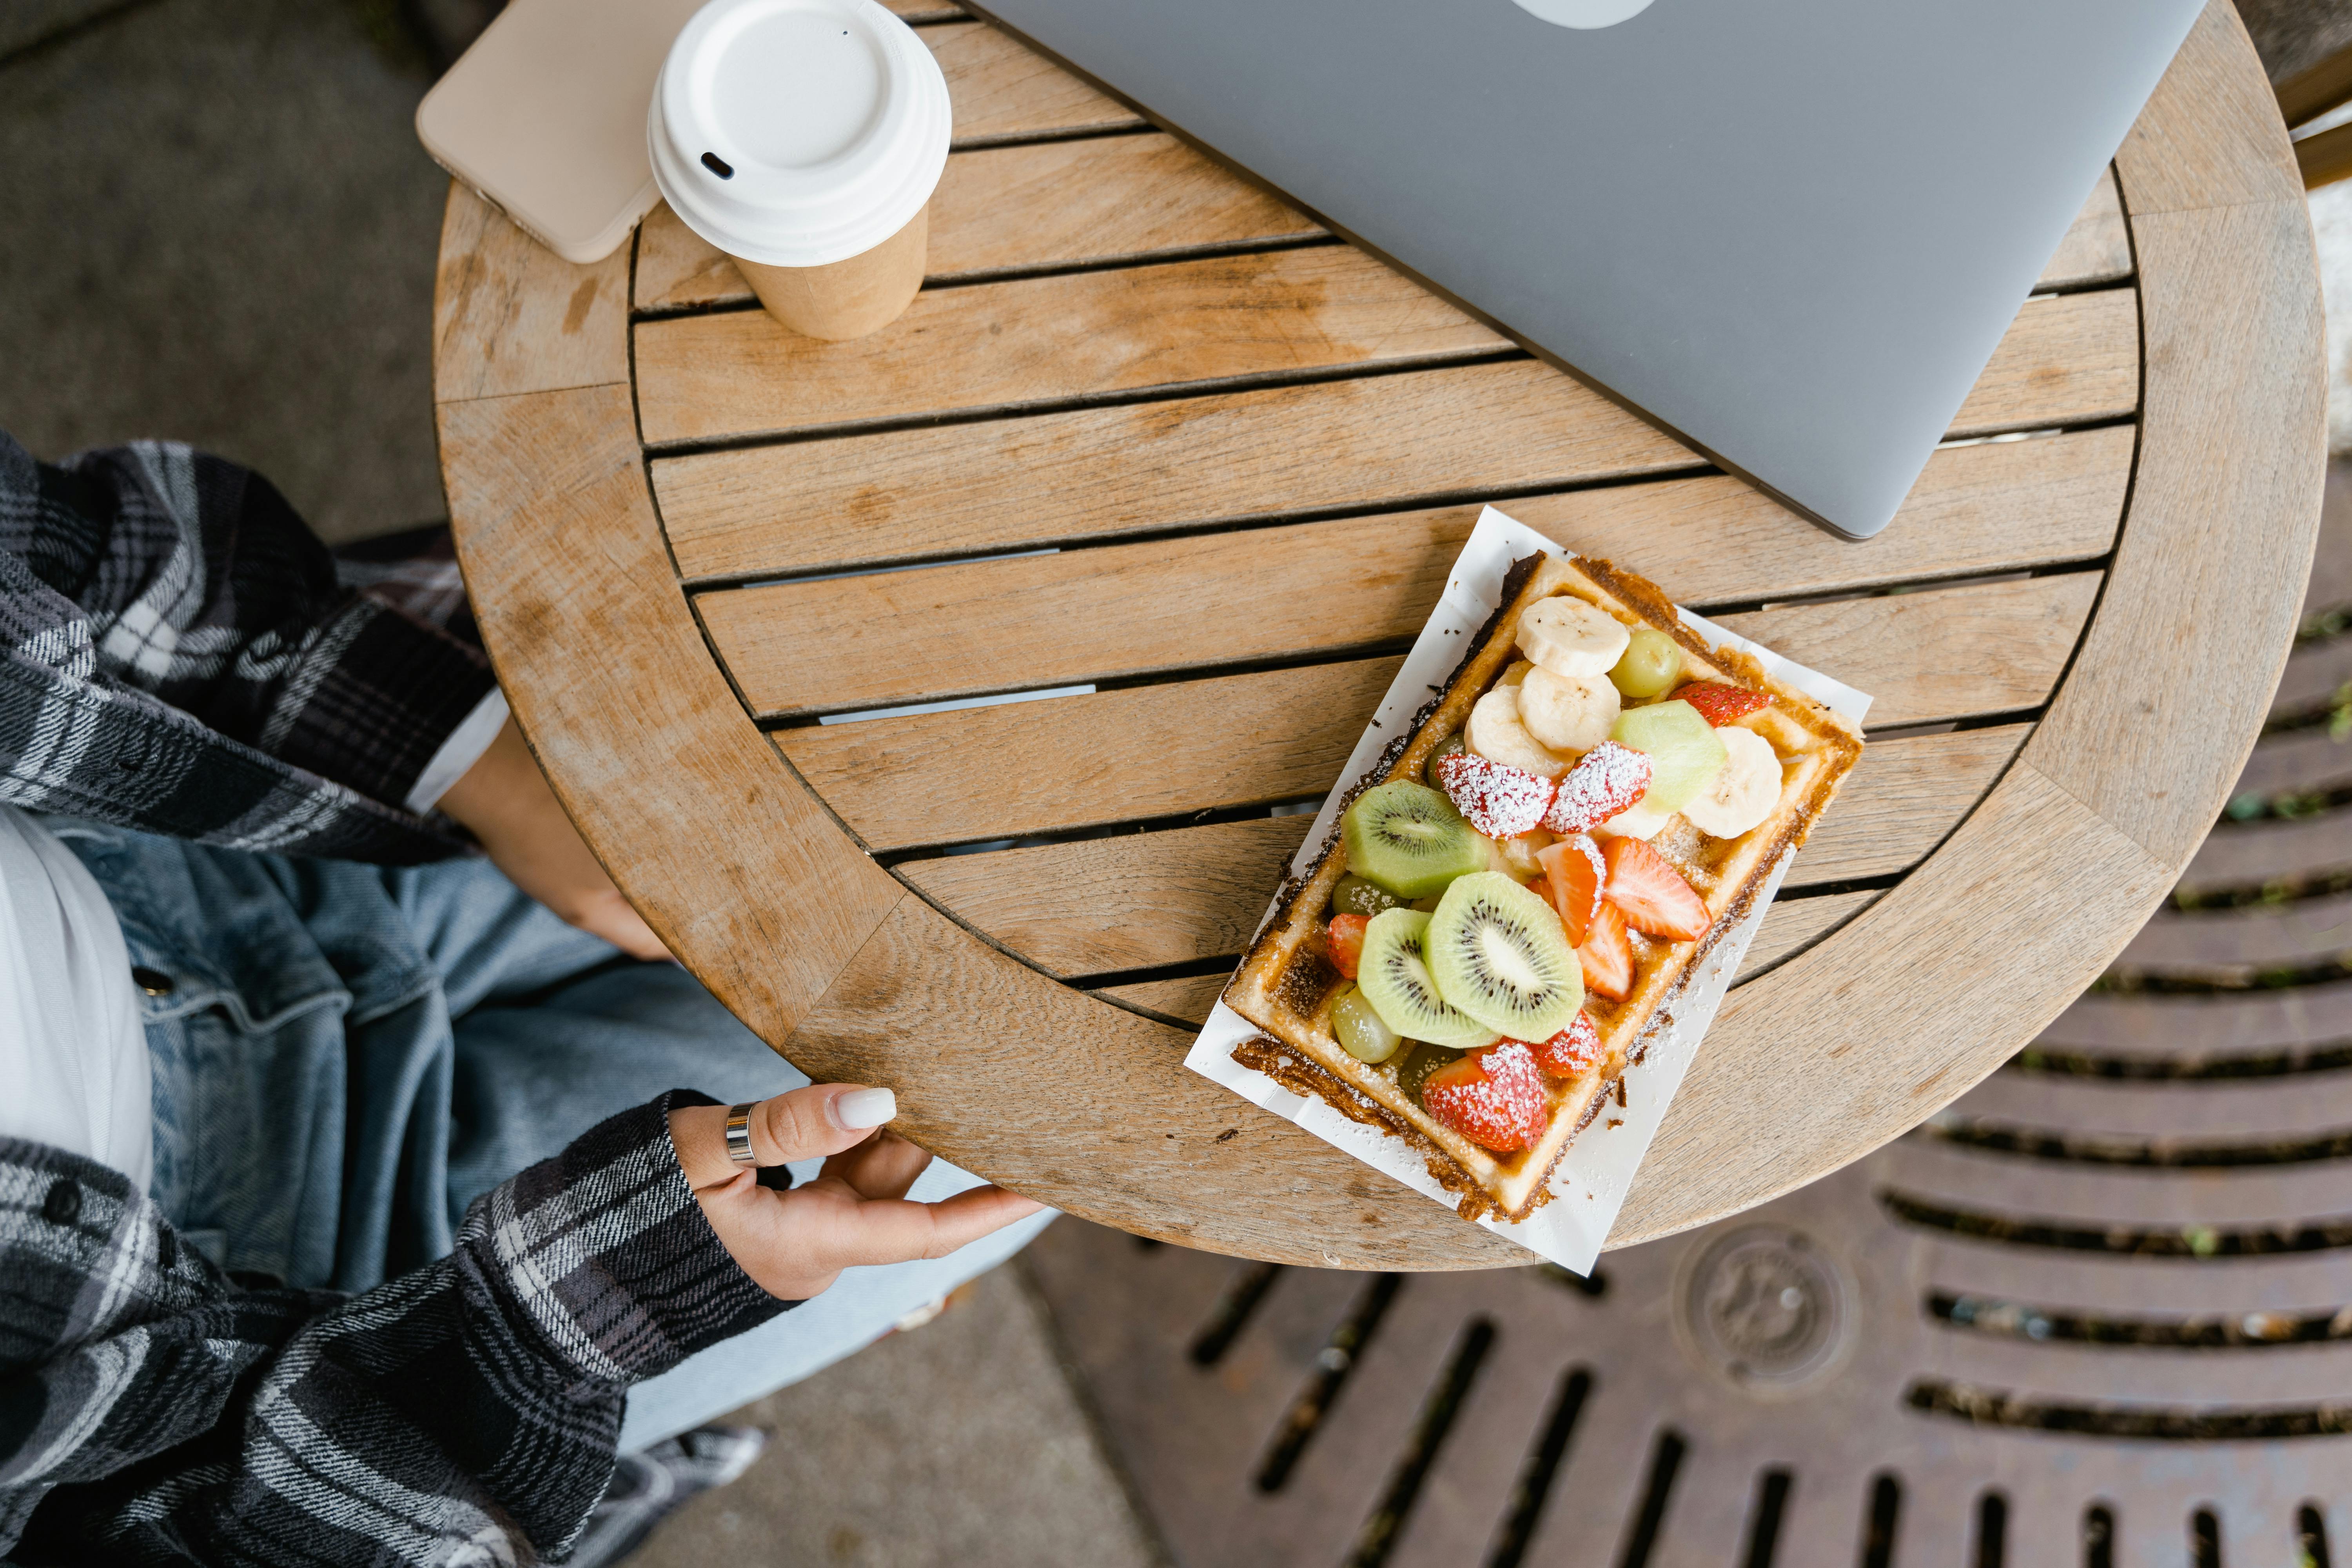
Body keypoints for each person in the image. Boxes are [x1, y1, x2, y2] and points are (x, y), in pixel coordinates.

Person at [0, 430, 1050, 1563]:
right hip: (339, 1316)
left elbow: (54, 541)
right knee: (1036, 1089)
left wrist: (466, 758)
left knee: (978, 690)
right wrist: (619, 1302)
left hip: (207, 832)